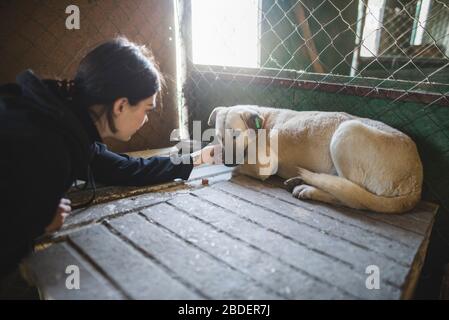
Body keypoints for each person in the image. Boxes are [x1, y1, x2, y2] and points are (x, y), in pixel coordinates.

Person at [0, 37, 218, 278]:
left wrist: (196, 158)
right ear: (121, 106)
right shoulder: (51, 146)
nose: (146, 120)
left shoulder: (67, 121)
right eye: (147, 109)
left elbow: (122, 169)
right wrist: (36, 223)